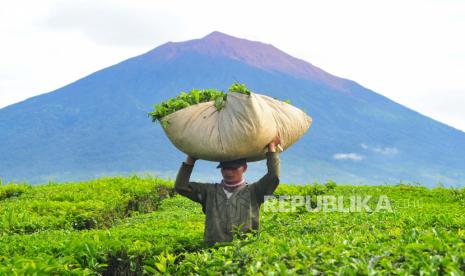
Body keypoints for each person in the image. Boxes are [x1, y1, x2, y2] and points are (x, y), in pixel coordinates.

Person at [174, 133, 281, 246]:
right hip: (213, 253)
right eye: (225, 168)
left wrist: (272, 148)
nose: (228, 172)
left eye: (233, 168)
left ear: (244, 168)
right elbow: (181, 187)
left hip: (244, 253)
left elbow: (273, 177)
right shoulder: (209, 191)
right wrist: (191, 158)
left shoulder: (255, 191)